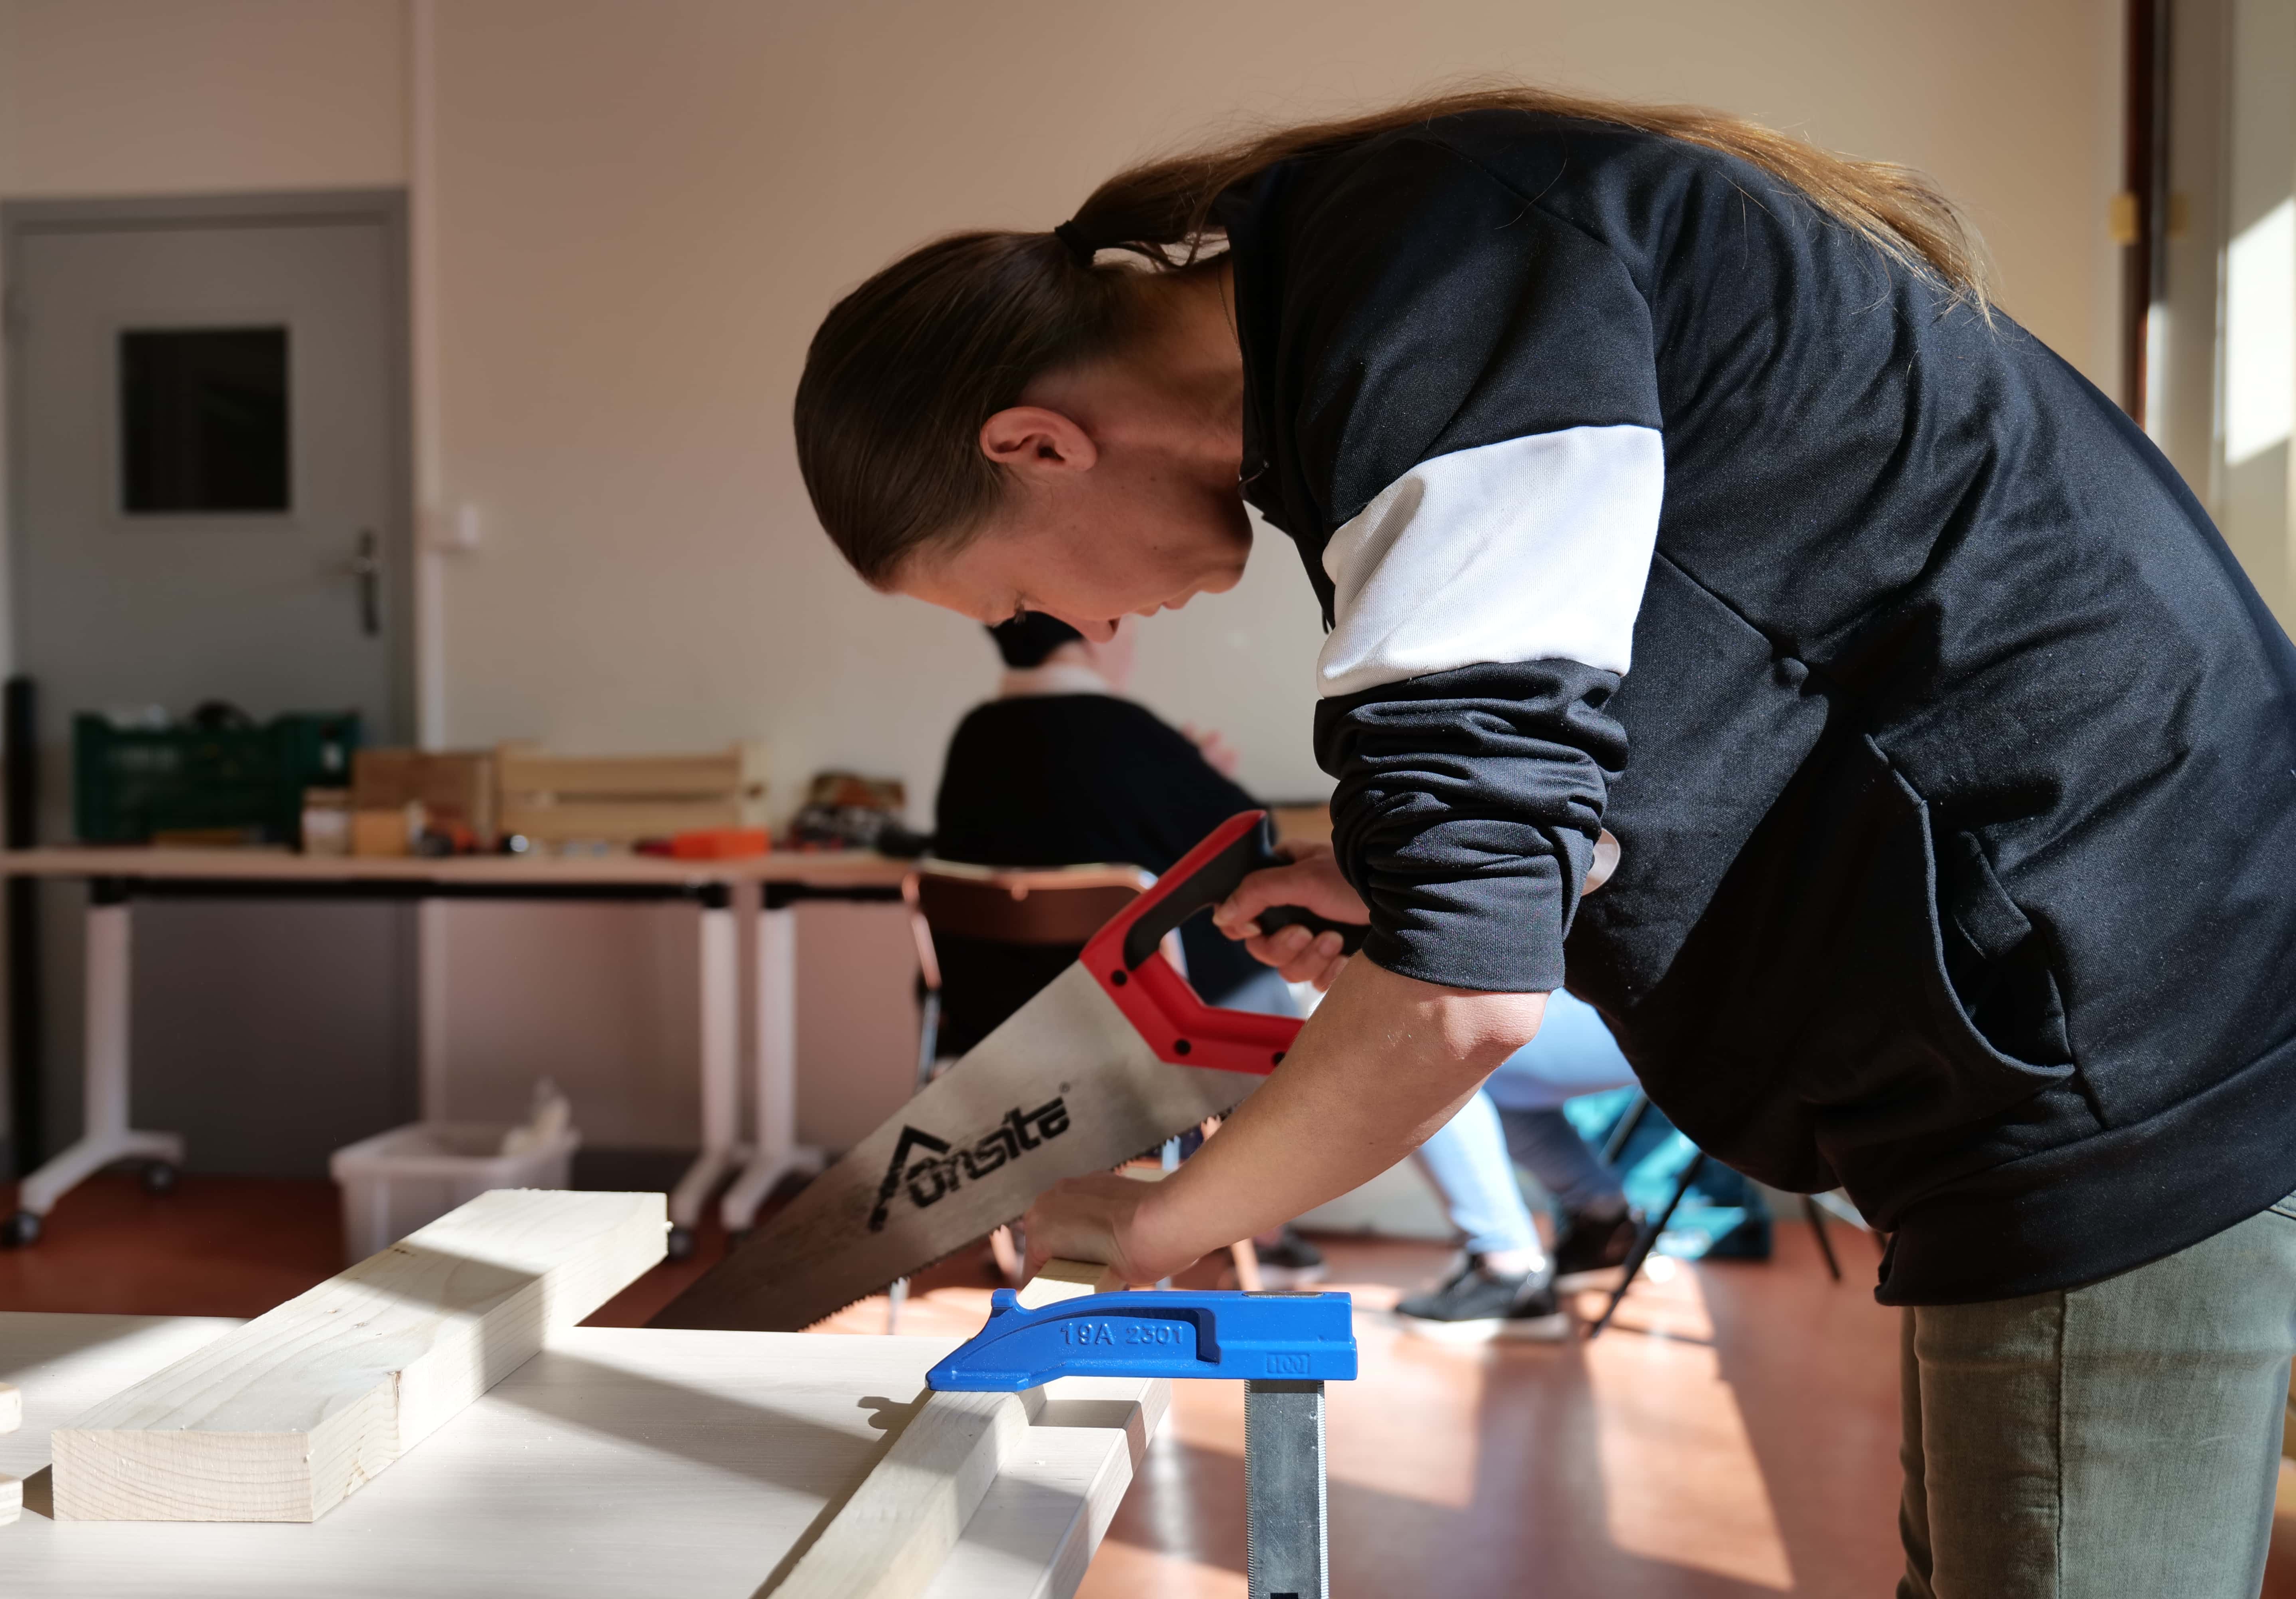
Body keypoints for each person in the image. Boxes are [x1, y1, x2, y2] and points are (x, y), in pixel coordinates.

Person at [790, 86, 2296, 1596]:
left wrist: (1169, 1213)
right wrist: (1394, 866)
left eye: (1021, 601)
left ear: (1035, 443)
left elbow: (1463, 996)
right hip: (2072, 993)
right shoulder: (1382, 292)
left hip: (2126, 1017)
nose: (1090, 628)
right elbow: (1700, 701)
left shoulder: (1429, 299)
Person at [932, 610, 1327, 1286]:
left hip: (999, 1035)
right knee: (1248, 966)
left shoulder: (973, 738)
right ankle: (1265, 1229)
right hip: (1132, 1036)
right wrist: (1202, 774)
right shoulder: (1133, 736)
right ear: (1090, 630)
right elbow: (1251, 846)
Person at [1400, 989, 1644, 1340]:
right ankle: (1605, 1228)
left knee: (1426, 1044)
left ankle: (1506, 1271)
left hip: (1678, 1008)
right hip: (1699, 1008)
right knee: (1493, 1074)